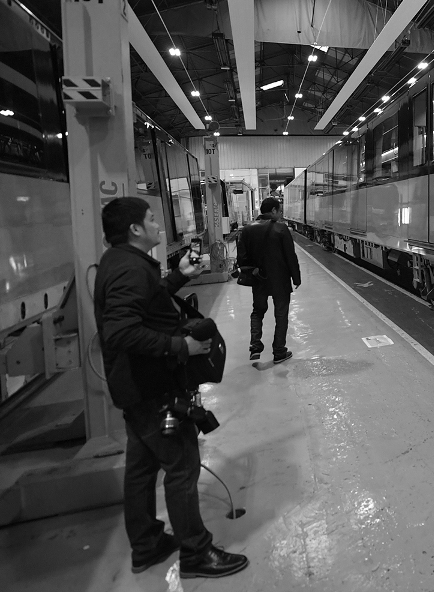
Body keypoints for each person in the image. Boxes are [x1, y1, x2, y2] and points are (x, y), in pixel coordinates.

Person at [94, 197, 248, 580]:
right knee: (182, 468)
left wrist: (178, 277)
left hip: (136, 387)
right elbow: (121, 330)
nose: (157, 225)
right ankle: (196, 553)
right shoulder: (130, 269)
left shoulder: (121, 263)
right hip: (153, 387)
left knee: (141, 470)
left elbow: (146, 305)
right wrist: (181, 346)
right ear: (134, 229)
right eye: (150, 220)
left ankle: (146, 545)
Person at [237, 197, 301, 363]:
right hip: (280, 280)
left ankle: (255, 346)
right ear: (272, 210)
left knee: (258, 311)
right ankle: (279, 351)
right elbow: (290, 256)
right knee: (281, 315)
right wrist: (296, 277)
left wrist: (253, 270)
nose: (280, 214)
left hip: (259, 279)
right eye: (279, 210)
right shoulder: (281, 229)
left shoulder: (247, 230)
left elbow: (241, 259)